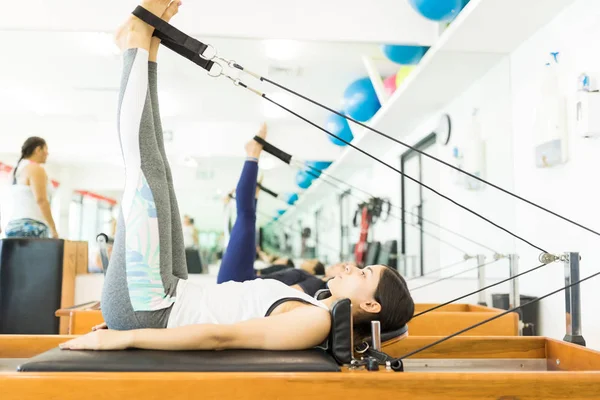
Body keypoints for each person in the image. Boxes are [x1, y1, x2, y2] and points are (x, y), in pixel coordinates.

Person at [59, 0, 414, 352]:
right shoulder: (316, 303)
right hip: (166, 299)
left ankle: (136, 42)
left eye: (364, 274)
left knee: (145, 171)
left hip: (153, 312)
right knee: (159, 171)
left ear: (371, 306)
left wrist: (124, 337)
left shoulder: (315, 320)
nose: (353, 267)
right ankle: (145, 47)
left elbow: (220, 337)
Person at [5, 136, 59, 238]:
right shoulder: (35, 169)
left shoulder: (15, 171)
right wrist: (53, 229)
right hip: (31, 226)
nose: (47, 153)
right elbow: (41, 200)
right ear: (38, 149)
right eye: (46, 149)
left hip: (13, 226)